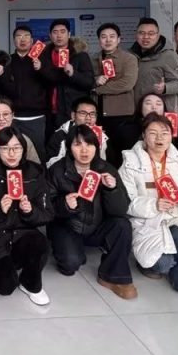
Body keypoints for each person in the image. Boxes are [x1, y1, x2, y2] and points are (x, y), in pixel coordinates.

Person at [119, 114, 178, 301]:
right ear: (144, 136)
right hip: (147, 221)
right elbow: (124, 201)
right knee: (162, 264)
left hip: (176, 217)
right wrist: (153, 204)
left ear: (171, 136)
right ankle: (149, 265)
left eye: (164, 133)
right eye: (153, 133)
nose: (159, 138)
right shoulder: (130, 163)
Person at [47, 124, 135, 299]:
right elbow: (46, 207)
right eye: (77, 144)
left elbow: (120, 210)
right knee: (70, 265)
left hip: (97, 225)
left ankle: (112, 275)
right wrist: (64, 205)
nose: (84, 150)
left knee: (122, 225)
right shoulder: (57, 170)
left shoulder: (106, 169)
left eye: (89, 144)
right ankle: (73, 251)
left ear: (97, 147)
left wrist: (112, 189)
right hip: (67, 226)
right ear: (69, 147)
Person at [0, 126, 54, 304]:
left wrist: (30, 211)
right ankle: (2, 266)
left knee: (40, 244)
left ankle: (29, 283)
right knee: (5, 286)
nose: (11, 153)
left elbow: (47, 214)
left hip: (23, 234)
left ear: (23, 150)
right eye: (5, 148)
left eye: (16, 148)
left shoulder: (35, 175)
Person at [91, 23, 139, 148]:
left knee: (123, 151)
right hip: (97, 113)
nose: (108, 40)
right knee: (101, 151)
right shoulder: (93, 59)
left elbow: (127, 83)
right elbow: (87, 80)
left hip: (121, 114)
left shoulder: (129, 59)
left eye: (112, 36)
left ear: (118, 39)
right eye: (103, 37)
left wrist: (97, 89)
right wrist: (95, 80)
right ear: (99, 40)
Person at [115, 93, 178, 165]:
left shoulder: (171, 129)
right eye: (148, 103)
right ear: (140, 108)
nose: (154, 107)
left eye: (158, 104)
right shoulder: (126, 130)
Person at [6, 25, 50, 160]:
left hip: (36, 116)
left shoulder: (42, 59)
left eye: (26, 36)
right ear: (14, 40)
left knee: (38, 152)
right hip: (13, 117)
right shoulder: (8, 61)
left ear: (32, 41)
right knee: (14, 152)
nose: (23, 39)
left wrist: (41, 69)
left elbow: (52, 81)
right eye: (19, 36)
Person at [40, 19, 95, 126]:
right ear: (50, 36)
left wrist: (73, 74)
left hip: (72, 110)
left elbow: (89, 82)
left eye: (62, 32)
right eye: (55, 32)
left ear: (69, 34)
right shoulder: (44, 55)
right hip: (48, 111)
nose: (59, 36)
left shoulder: (80, 55)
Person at [130, 18, 178, 112]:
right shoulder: (130, 55)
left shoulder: (168, 56)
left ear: (158, 35)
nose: (146, 37)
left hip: (160, 111)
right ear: (136, 35)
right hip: (137, 110)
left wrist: (165, 88)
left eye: (151, 34)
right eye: (141, 33)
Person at [46, 96, 108, 167]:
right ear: (73, 116)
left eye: (92, 114)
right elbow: (50, 165)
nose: (88, 118)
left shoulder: (102, 136)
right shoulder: (60, 136)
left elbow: (105, 163)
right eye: (83, 113)